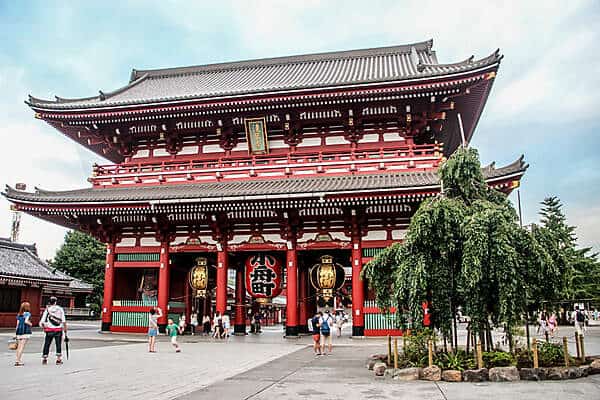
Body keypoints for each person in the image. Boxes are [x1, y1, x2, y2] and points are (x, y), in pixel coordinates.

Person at [40, 297, 67, 365]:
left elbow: (42, 321)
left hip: (49, 329)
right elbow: (63, 321)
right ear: (55, 302)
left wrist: (44, 328)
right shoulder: (60, 309)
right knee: (58, 344)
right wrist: (65, 330)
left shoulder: (47, 310)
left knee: (47, 343)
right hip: (58, 329)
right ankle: (58, 359)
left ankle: (45, 358)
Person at [14, 302, 33, 366]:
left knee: (19, 346)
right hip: (25, 330)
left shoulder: (19, 314)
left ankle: (17, 359)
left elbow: (17, 324)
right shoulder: (27, 313)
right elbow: (26, 321)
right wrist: (30, 324)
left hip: (19, 330)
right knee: (22, 346)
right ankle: (18, 361)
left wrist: (16, 333)